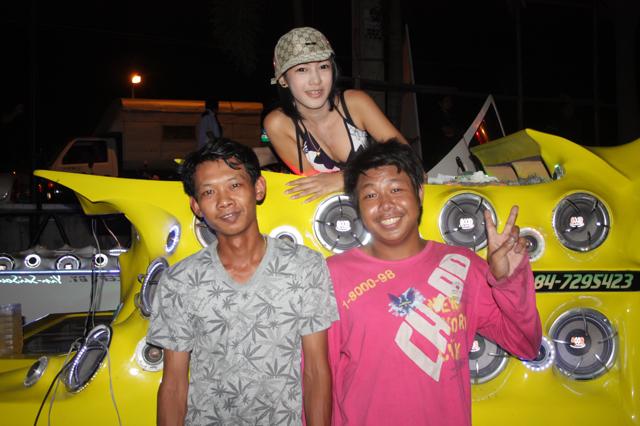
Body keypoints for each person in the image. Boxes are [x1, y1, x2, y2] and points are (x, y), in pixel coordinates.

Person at [327, 141, 542, 425]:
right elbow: (318, 378)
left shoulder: (463, 267)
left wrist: (509, 282)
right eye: (370, 195)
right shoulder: (332, 275)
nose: (386, 205)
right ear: (358, 206)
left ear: (419, 193)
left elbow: (526, 345)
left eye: (396, 189)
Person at [146, 137, 338, 425]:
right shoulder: (180, 281)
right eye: (209, 192)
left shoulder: (304, 266)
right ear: (196, 206)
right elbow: (173, 385)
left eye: (234, 185)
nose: (224, 201)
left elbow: (316, 371)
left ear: (258, 188)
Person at [263, 26, 408, 203]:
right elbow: (310, 188)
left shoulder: (355, 104)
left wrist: (343, 178)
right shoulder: (278, 124)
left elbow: (407, 158)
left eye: (323, 66)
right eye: (302, 69)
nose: (316, 80)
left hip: (385, 201)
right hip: (334, 211)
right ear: (283, 79)